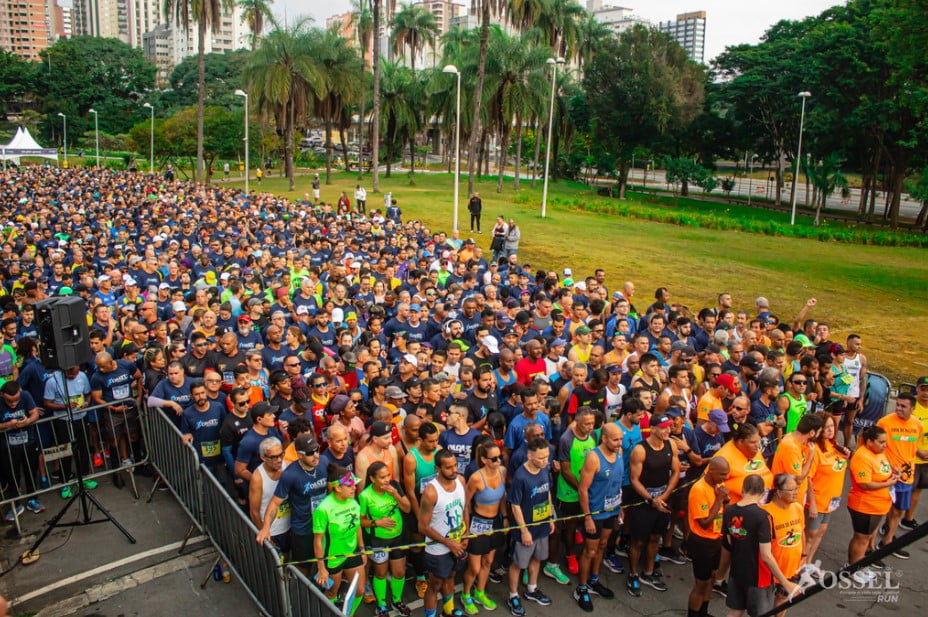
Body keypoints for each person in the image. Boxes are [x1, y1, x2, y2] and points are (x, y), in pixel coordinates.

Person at [722, 474, 801, 617]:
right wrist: (786, 582)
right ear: (762, 493)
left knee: (735, 611)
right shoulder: (763, 517)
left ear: (742, 489)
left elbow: (729, 542)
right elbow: (766, 555)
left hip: (737, 571)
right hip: (759, 578)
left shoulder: (728, 511)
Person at [256, 433, 326, 573]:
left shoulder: (324, 461)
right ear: (299, 455)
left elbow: (336, 485)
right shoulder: (290, 474)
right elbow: (275, 503)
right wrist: (266, 527)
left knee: (326, 563)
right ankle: (302, 592)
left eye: (317, 450)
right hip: (303, 529)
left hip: (325, 524)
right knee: (304, 567)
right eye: (310, 453)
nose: (316, 455)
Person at [626, 412, 679, 595]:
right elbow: (634, 479)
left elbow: (676, 472)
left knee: (656, 537)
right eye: (663, 428)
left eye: (669, 427)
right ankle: (633, 573)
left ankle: (648, 572)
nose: (667, 431)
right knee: (638, 541)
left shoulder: (671, 444)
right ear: (653, 429)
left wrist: (663, 497)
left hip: (662, 501)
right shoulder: (640, 450)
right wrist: (651, 499)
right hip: (643, 502)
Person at [574, 423, 624, 612]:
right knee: (590, 551)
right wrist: (587, 517)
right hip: (595, 513)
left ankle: (594, 580)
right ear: (604, 439)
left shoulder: (618, 453)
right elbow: (583, 489)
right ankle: (582, 588)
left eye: (620, 439)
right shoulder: (594, 458)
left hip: (611, 510)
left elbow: (617, 482)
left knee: (602, 546)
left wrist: (620, 507)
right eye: (615, 439)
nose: (619, 443)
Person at [507, 437, 555, 617]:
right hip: (526, 529)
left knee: (538, 558)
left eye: (547, 457)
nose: (545, 461)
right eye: (541, 458)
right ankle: (513, 595)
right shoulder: (521, 476)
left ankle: (532, 589)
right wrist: (524, 530)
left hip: (542, 525)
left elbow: (547, 492)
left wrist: (550, 516)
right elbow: (515, 505)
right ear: (529, 455)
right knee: (518, 564)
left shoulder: (544, 469)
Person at [359, 461, 412, 617]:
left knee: (399, 572)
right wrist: (377, 523)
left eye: (388, 475)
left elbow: (407, 508)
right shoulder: (365, 495)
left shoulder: (394, 486)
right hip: (378, 540)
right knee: (381, 573)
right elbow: (360, 521)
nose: (387, 479)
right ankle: (381, 605)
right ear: (372, 478)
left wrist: (395, 494)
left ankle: (397, 600)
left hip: (398, 537)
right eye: (382, 477)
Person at [419, 448, 467, 617]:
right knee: (435, 585)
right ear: (437, 469)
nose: (454, 470)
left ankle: (448, 610)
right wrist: (449, 543)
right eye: (448, 467)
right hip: (438, 549)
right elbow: (423, 527)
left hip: (458, 544)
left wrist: (465, 533)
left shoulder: (461, 480)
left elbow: (465, 508)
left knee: (451, 579)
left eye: (455, 465)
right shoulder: (431, 492)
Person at [846, 425, 897, 583]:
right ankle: (853, 568)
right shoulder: (863, 457)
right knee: (862, 538)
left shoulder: (879, 453)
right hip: (865, 505)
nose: (884, 445)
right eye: (881, 442)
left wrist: (892, 473)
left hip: (878, 505)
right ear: (869, 442)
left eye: (885, 442)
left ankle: (858, 564)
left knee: (866, 537)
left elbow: (883, 470)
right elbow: (865, 484)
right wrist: (888, 482)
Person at [461, 440, 507, 613]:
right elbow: (466, 503)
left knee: (488, 561)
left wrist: (506, 517)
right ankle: (465, 594)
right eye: (494, 459)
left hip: (495, 522)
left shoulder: (502, 472)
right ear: (485, 460)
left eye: (500, 457)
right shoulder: (475, 478)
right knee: (474, 567)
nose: (498, 461)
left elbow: (502, 498)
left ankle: (480, 592)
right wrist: (466, 528)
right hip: (478, 523)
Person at [313, 466, 366, 615]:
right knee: (332, 592)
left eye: (354, 484)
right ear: (337, 488)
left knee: (360, 590)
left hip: (352, 551)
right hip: (332, 558)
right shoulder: (323, 509)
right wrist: (321, 567)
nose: (354, 488)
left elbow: (357, 527)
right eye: (349, 485)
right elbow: (318, 540)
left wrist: (361, 549)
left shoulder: (353, 502)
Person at [875, 392, 921, 559]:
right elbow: (871, 444)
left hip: (907, 476)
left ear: (912, 409)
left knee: (899, 511)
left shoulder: (917, 425)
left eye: (903, 406)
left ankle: (887, 542)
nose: (899, 408)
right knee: (880, 511)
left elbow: (911, 447)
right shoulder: (885, 422)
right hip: (887, 475)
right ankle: (869, 549)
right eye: (898, 405)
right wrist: (885, 464)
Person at [804, 412, 850, 564]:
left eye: (832, 426)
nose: (830, 430)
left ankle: (808, 564)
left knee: (821, 533)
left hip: (831, 499)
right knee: (810, 535)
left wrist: (845, 456)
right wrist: (813, 505)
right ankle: (798, 567)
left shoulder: (834, 444)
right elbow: (808, 478)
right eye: (826, 427)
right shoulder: (814, 449)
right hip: (817, 501)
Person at [686, 457, 730, 617]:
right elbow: (704, 522)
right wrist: (719, 499)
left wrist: (725, 501)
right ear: (711, 470)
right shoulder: (699, 489)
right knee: (701, 583)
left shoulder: (718, 486)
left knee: (711, 578)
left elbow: (722, 511)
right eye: (722, 474)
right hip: (701, 542)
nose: (725, 478)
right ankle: (693, 614)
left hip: (716, 539)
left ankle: (703, 612)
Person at [761, 473, 805, 614]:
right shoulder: (765, 514)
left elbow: (802, 532)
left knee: (783, 600)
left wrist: (804, 555)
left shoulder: (797, 508)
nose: (795, 492)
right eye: (791, 490)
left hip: (791, 567)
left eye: (796, 489)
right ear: (779, 492)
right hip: (769, 571)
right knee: (762, 607)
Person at [249, 437, 290, 553]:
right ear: (263, 458)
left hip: (290, 527)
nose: (279, 460)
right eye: (274, 457)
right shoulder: (258, 477)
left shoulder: (287, 466)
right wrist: (264, 531)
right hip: (273, 532)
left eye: (281, 455)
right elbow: (254, 511)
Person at [903, 376, 928, 529]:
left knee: (918, 490)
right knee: (903, 492)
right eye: (923, 389)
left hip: (926, 459)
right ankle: (889, 525)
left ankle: (908, 518)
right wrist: (917, 450)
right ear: (917, 388)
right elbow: (901, 432)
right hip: (911, 457)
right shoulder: (911, 406)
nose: (926, 393)